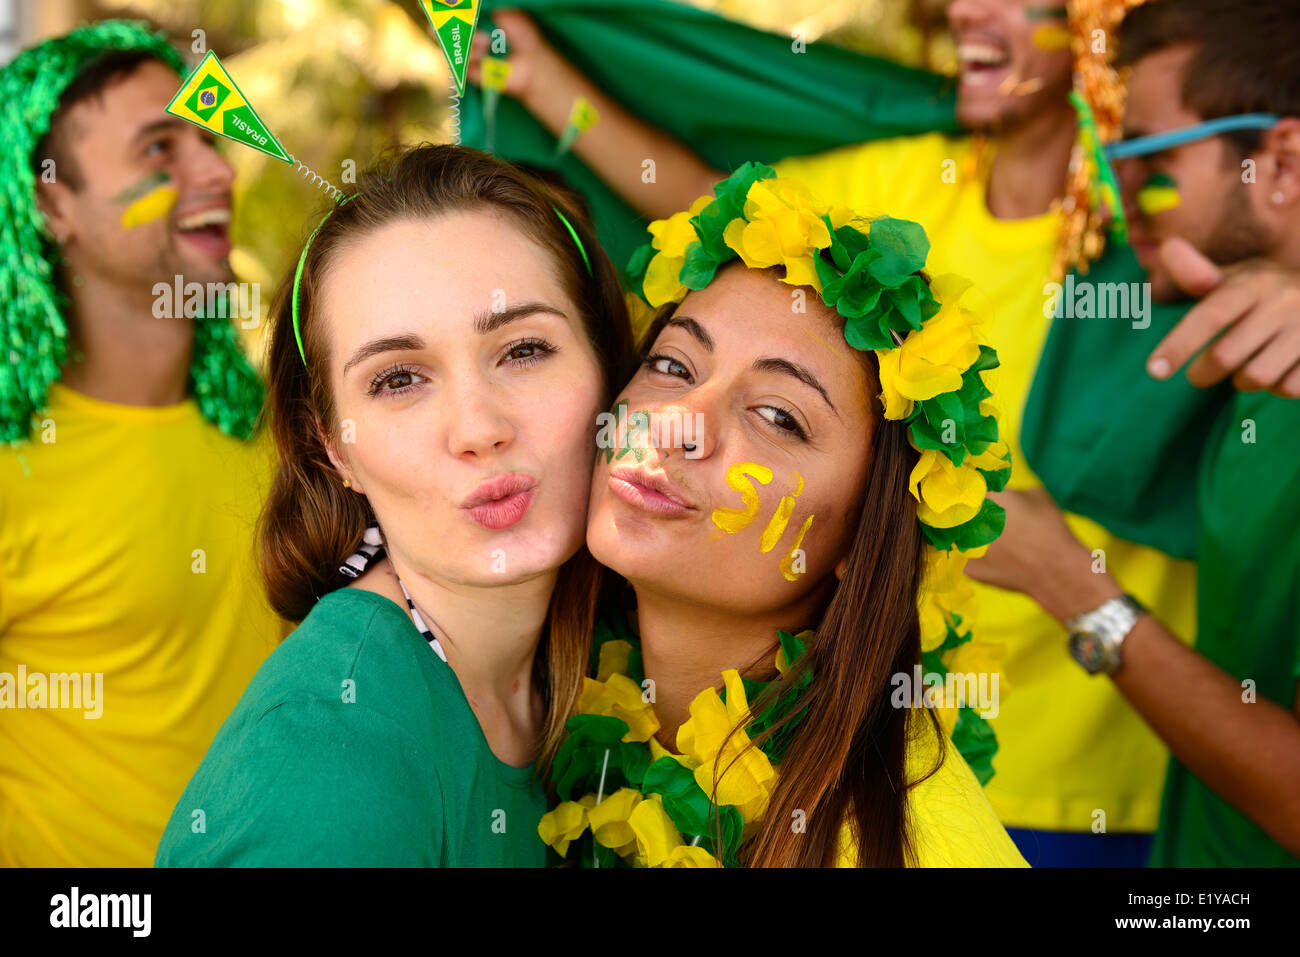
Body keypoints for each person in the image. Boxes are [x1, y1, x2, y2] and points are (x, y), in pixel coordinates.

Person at [474, 0, 1300, 867]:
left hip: (1083, 804)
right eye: (672, 364)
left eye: (781, 415)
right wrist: (546, 79)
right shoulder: (901, 192)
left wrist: (1077, 588)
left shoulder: (1148, 247)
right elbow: (730, 244)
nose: (967, 11)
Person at [155, 144, 637, 866]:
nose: (480, 428)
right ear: (333, 450)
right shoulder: (329, 753)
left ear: (607, 370)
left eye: (525, 349)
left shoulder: (595, 659)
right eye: (400, 379)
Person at [538, 163, 1027, 867]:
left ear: (864, 537)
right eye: (674, 366)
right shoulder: (535, 701)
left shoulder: (919, 842)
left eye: (777, 415)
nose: (678, 423)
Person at [970, 0, 1300, 866]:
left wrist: (1073, 588)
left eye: (1152, 160)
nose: (1121, 201)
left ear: (1282, 161)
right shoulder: (1253, 360)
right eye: (1111, 163)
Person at [0, 21, 278, 867]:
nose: (216, 172)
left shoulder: (286, 429)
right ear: (53, 203)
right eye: (161, 148)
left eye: (207, 138)